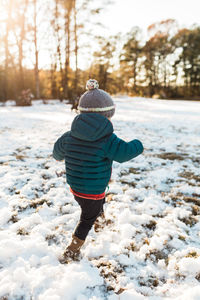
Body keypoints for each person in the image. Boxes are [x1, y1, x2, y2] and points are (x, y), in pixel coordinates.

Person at [53, 79, 144, 263]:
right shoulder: (108, 139)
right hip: (92, 190)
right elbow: (124, 153)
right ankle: (73, 248)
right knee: (87, 217)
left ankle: (100, 221)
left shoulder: (69, 136)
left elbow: (56, 153)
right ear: (106, 116)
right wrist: (138, 144)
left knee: (94, 205)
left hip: (76, 187)